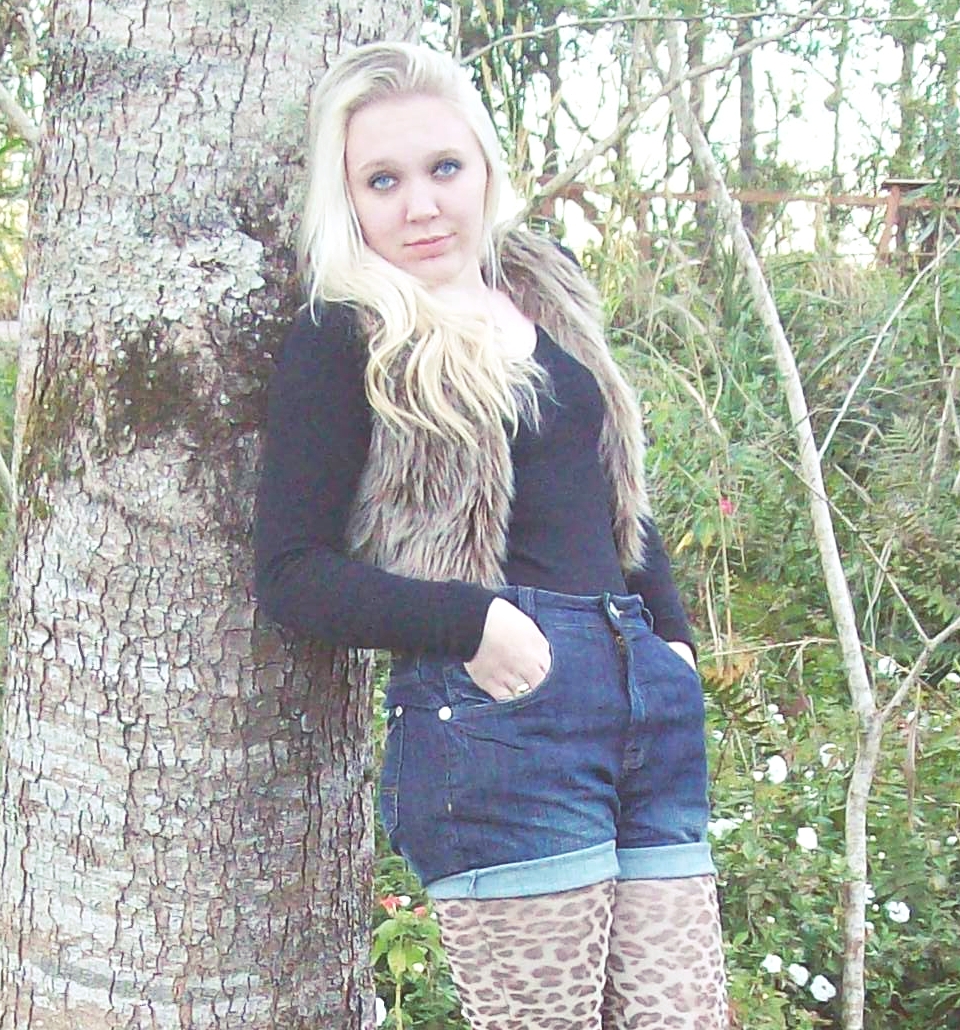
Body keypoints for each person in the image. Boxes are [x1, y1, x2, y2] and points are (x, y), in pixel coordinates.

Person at [253, 40, 727, 1029]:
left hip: (643, 703)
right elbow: (292, 573)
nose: (421, 205)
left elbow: (613, 495)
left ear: (483, 167)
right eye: (383, 181)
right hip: (502, 722)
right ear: (349, 200)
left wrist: (673, 642)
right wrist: (475, 625)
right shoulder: (347, 335)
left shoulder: (548, 292)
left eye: (443, 168)